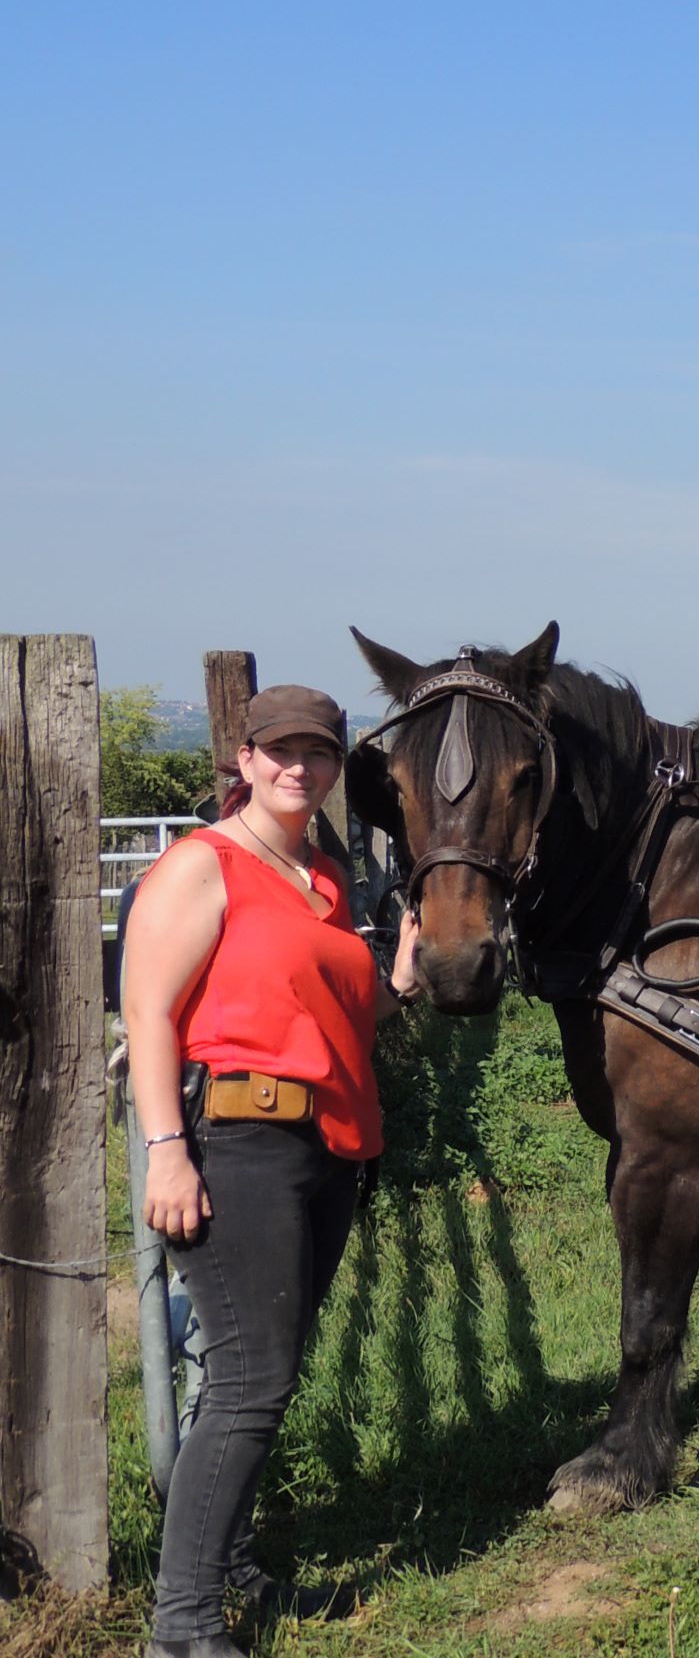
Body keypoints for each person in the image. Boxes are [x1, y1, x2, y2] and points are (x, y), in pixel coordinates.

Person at [121, 684, 422, 1658]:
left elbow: (341, 1014)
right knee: (251, 1380)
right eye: (281, 751)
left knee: (257, 1378)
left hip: (326, 1148)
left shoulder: (321, 877)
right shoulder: (201, 868)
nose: (302, 767)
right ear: (244, 761)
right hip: (240, 1144)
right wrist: (167, 1148)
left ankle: (235, 1566)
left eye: (320, 754)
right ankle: (183, 1626)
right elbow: (150, 1016)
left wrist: (400, 982)